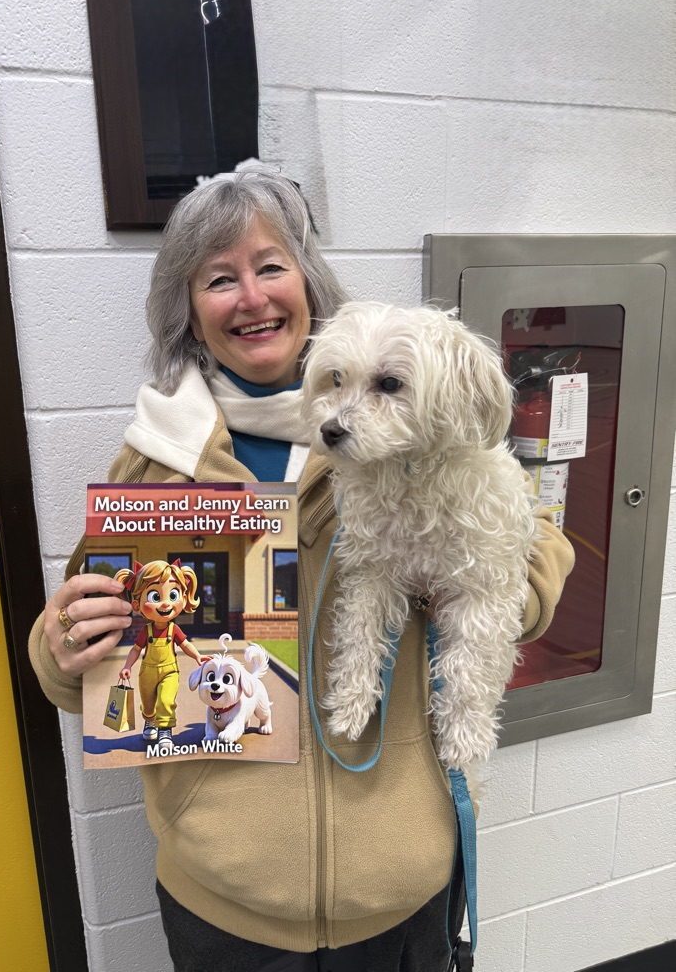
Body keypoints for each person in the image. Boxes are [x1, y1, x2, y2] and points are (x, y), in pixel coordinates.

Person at [30, 167, 575, 971]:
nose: (250, 296)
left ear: (308, 283)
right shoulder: (155, 465)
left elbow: (534, 558)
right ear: (190, 310)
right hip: (225, 903)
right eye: (219, 278)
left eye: (270, 266)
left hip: (400, 890)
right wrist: (62, 644)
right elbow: (81, 669)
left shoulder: (424, 427)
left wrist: (489, 589)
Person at [115, 558, 209, 751]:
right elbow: (135, 650)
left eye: (173, 595)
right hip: (147, 671)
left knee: (166, 700)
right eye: (155, 597)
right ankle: (150, 721)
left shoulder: (173, 629)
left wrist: (197, 656)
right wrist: (127, 666)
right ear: (137, 605)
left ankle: (165, 730)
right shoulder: (146, 631)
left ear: (183, 597)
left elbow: (184, 644)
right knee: (148, 703)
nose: (165, 604)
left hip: (169, 671)